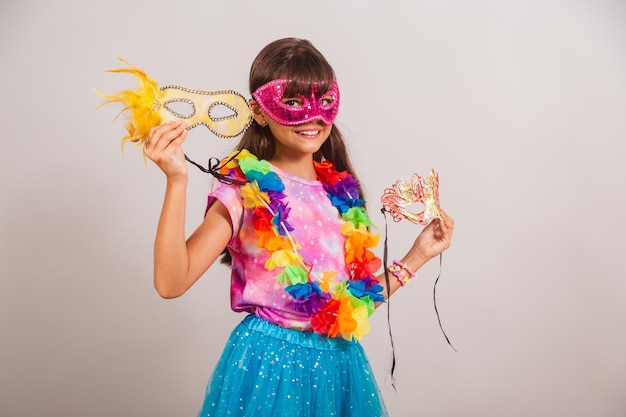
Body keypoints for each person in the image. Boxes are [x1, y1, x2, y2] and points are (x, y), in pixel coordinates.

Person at [143, 38, 454, 417]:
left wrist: (418, 255)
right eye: (291, 103)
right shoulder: (244, 190)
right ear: (258, 111)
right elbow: (171, 282)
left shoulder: (341, 194)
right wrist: (177, 180)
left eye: (324, 101)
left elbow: (349, 305)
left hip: (340, 366)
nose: (312, 116)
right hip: (269, 366)